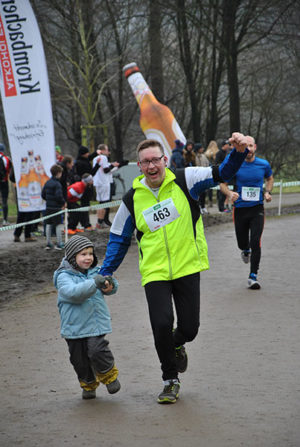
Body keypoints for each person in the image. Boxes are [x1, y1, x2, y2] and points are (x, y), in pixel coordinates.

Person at [98, 133, 252, 404]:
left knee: (189, 328)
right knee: (161, 324)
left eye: (155, 160)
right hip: (154, 272)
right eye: (145, 163)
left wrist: (238, 153)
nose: (151, 167)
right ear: (139, 165)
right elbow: (118, 239)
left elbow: (222, 172)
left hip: (187, 266)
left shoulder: (185, 179)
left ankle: (178, 343)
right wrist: (106, 271)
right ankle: (170, 379)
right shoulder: (132, 198)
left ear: (164, 160)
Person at [53, 235, 121, 400]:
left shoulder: (96, 272)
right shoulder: (63, 276)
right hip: (73, 327)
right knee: (79, 360)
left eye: (90, 253)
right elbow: (73, 294)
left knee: (97, 350)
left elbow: (110, 284)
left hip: (95, 323)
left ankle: (109, 376)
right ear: (72, 257)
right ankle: (88, 384)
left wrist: (110, 286)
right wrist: (94, 283)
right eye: (83, 254)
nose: (88, 257)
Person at [220, 135, 273, 290]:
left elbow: (270, 179)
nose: (248, 149)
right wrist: (229, 193)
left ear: (255, 147)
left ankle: (253, 276)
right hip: (240, 209)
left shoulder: (263, 164)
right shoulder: (236, 164)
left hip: (257, 208)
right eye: (246, 146)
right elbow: (223, 183)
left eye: (251, 146)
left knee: (256, 241)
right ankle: (245, 249)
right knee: (242, 242)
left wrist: (268, 192)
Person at [74, 146, 102, 230]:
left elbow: (89, 158)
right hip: (85, 187)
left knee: (85, 205)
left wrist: (96, 153)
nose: (88, 154)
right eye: (87, 153)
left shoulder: (81, 160)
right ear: (83, 154)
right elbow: (91, 173)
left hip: (83, 186)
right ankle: (86, 224)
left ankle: (85, 223)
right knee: (85, 205)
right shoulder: (82, 164)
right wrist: (97, 165)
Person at [93, 144, 120, 229]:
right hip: (104, 182)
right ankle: (101, 222)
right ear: (103, 150)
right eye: (107, 149)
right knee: (105, 203)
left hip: (97, 183)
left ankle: (100, 221)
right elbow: (106, 170)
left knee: (100, 203)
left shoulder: (95, 158)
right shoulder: (104, 158)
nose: (108, 152)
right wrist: (113, 165)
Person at [41, 164, 66, 250]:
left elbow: (43, 194)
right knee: (58, 225)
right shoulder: (57, 184)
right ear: (58, 173)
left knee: (48, 224)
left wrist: (48, 200)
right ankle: (59, 243)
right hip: (56, 208)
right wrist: (63, 203)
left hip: (48, 207)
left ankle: (48, 243)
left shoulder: (47, 182)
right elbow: (59, 196)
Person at [9, 168, 37, 242]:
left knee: (21, 213)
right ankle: (27, 235)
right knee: (29, 213)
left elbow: (11, 177)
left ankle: (17, 234)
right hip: (28, 191)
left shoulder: (17, 162)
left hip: (21, 191)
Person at [215, 139, 232, 212]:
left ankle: (224, 207)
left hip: (227, 174)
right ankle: (221, 208)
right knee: (221, 192)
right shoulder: (219, 153)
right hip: (221, 175)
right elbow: (216, 163)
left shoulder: (227, 153)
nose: (228, 146)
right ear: (224, 145)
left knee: (225, 192)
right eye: (227, 145)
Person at [194, 143, 210, 214]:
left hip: (204, 177)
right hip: (197, 178)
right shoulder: (194, 157)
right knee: (198, 194)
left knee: (204, 193)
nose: (202, 149)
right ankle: (199, 206)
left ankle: (203, 206)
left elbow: (208, 164)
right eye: (201, 148)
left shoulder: (204, 156)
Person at [204, 140, 219, 207]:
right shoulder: (217, 152)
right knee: (218, 185)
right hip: (216, 169)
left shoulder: (207, 153)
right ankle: (218, 200)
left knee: (209, 187)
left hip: (209, 170)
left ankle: (210, 201)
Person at [0, 143, 12, 225]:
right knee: (4, 201)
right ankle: (5, 220)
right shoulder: (6, 159)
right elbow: (9, 170)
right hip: (4, 181)